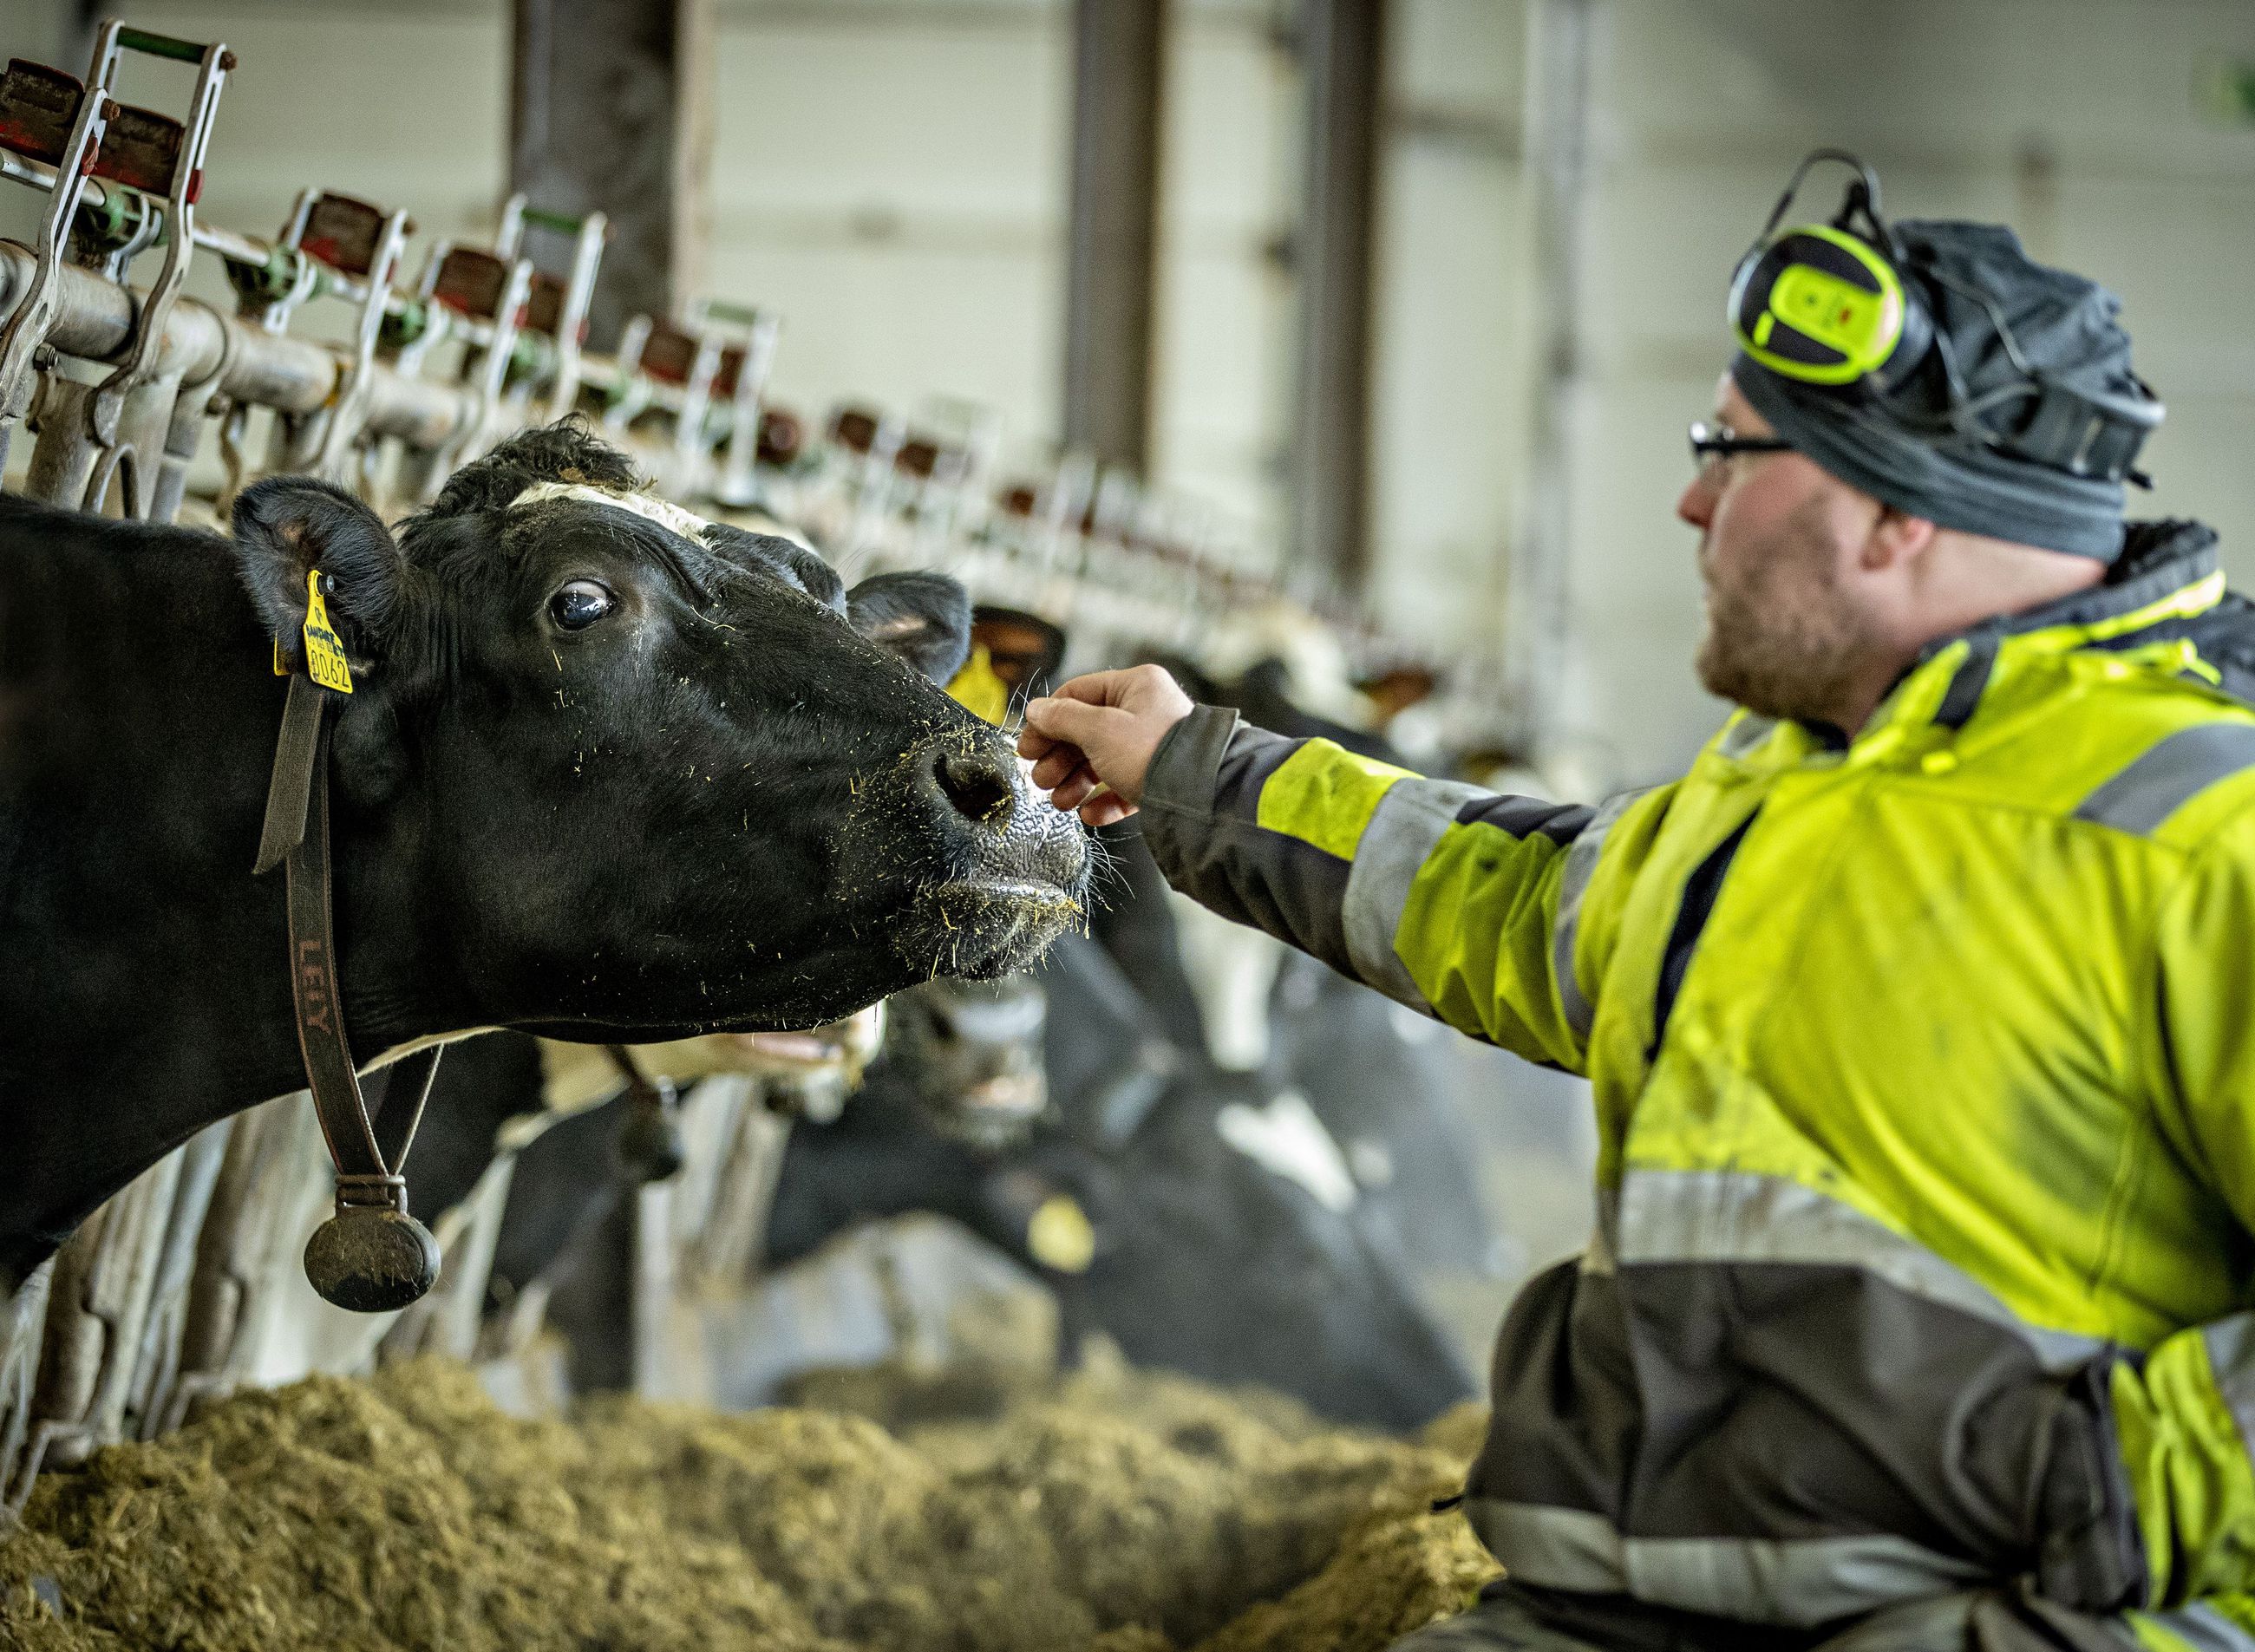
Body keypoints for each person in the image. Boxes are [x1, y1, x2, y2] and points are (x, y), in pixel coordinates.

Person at [1016, 153, 2255, 1652]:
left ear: (1893, 516)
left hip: (2016, 1621)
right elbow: (1506, 897)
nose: (1690, 499)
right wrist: (1199, 771)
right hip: (1627, 1606)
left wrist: (2103, 1493)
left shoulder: (2202, 829)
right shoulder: (1773, 799)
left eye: (1736, 453)